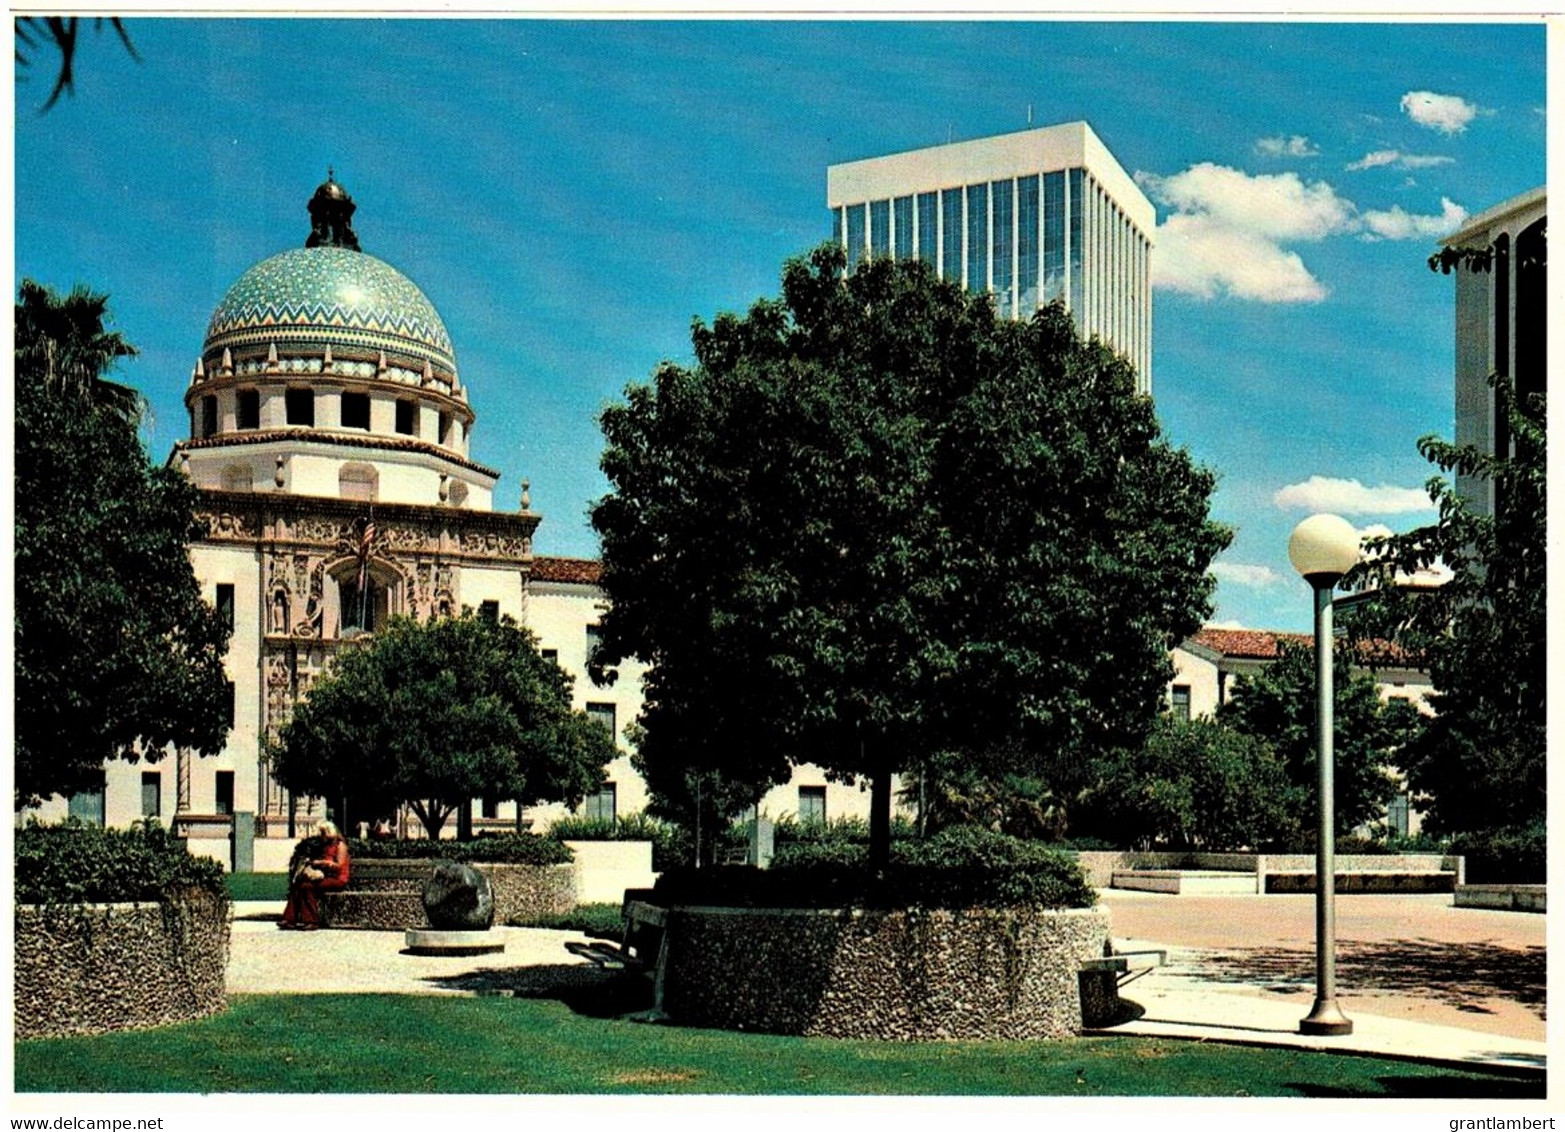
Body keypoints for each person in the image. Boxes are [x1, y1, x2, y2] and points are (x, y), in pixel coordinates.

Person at [279, 820, 351, 930]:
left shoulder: (340, 845)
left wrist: (322, 863)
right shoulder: (325, 845)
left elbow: (339, 866)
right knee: (298, 885)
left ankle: (311, 920)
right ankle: (289, 918)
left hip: (338, 879)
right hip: (326, 877)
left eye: (323, 833)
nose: (321, 836)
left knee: (307, 887)